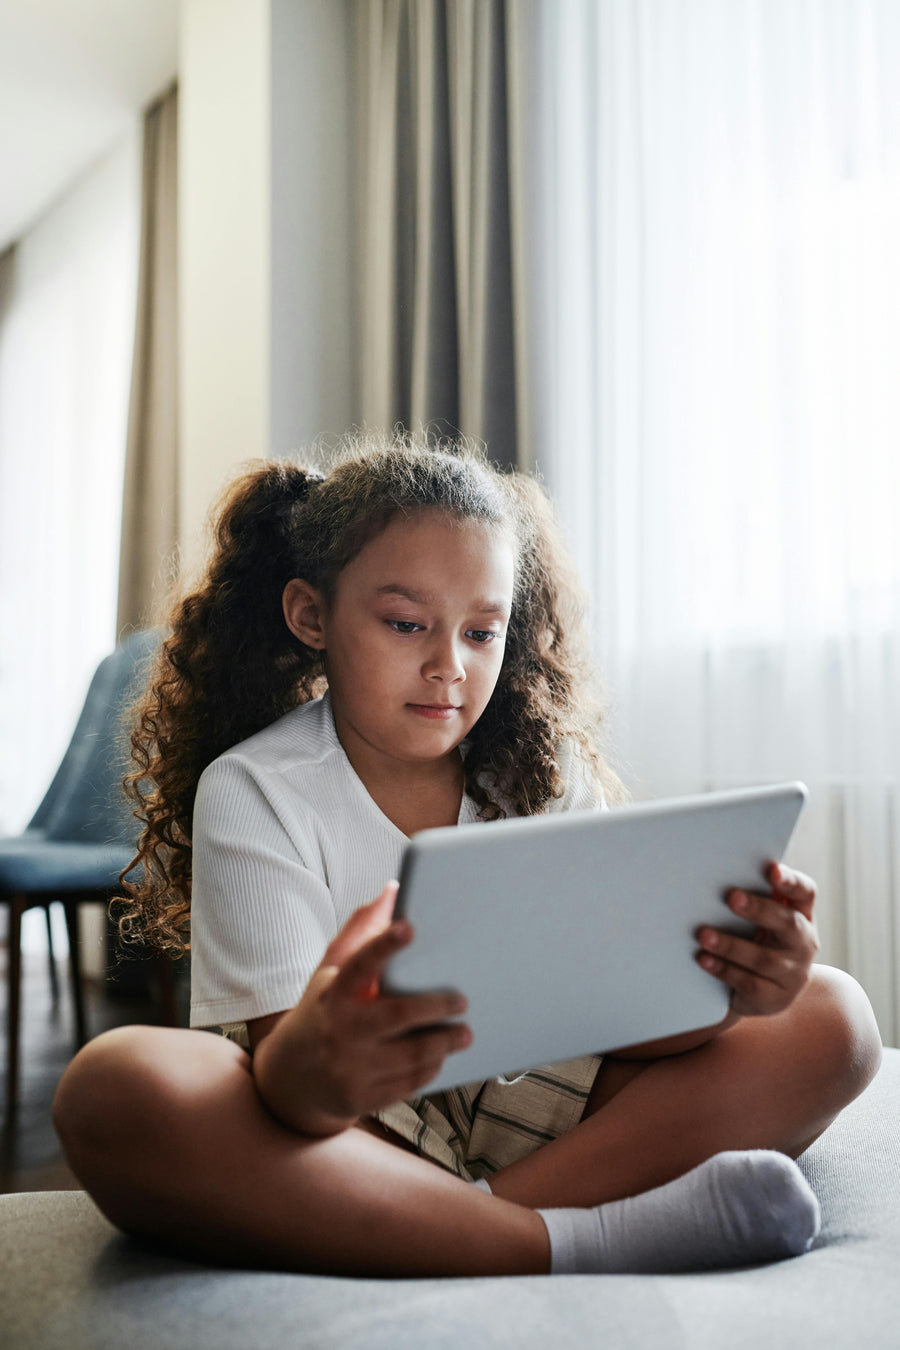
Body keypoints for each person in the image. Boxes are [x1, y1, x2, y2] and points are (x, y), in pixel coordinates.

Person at [54, 432, 881, 1278]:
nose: (448, 667)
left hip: (537, 1105)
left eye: (481, 634)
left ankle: (470, 1231)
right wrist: (334, 1046)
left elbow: (624, 1037)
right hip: (348, 1129)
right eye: (407, 623)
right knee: (116, 1086)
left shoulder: (538, 768)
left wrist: (730, 993)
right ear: (312, 616)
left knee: (832, 1019)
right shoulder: (257, 788)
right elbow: (289, 1092)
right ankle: (575, 1239)